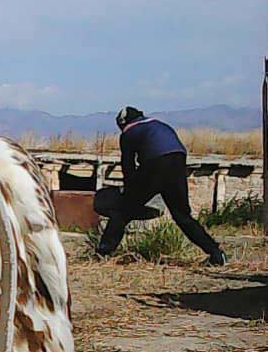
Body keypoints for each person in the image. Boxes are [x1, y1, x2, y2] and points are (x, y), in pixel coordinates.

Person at [97, 106, 227, 265]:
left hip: (154, 164)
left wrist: (129, 195)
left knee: (123, 211)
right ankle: (216, 254)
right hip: (178, 163)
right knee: (183, 216)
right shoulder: (160, 125)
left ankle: (103, 252)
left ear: (123, 124)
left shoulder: (128, 133)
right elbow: (174, 150)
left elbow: (128, 166)